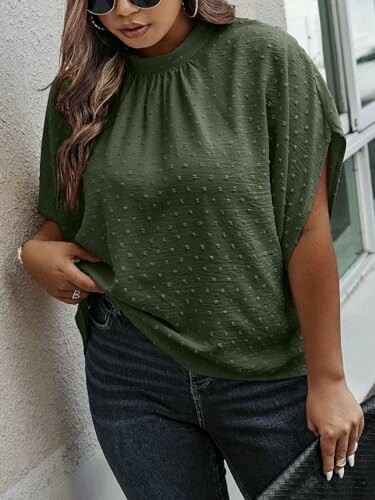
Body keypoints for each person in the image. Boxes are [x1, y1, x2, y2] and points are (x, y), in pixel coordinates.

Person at [18, 0, 365, 498]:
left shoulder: (265, 60)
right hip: (130, 368)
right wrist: (33, 251)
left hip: (263, 368)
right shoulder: (78, 92)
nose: (123, 11)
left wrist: (329, 379)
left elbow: (306, 233)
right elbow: (67, 218)